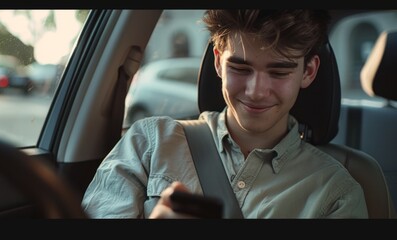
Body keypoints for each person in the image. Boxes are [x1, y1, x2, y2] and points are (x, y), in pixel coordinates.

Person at [81, 9, 368, 218]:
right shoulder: (148, 142)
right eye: (240, 69)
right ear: (218, 62)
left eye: (279, 72)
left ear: (308, 72)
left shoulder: (336, 193)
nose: (256, 91)